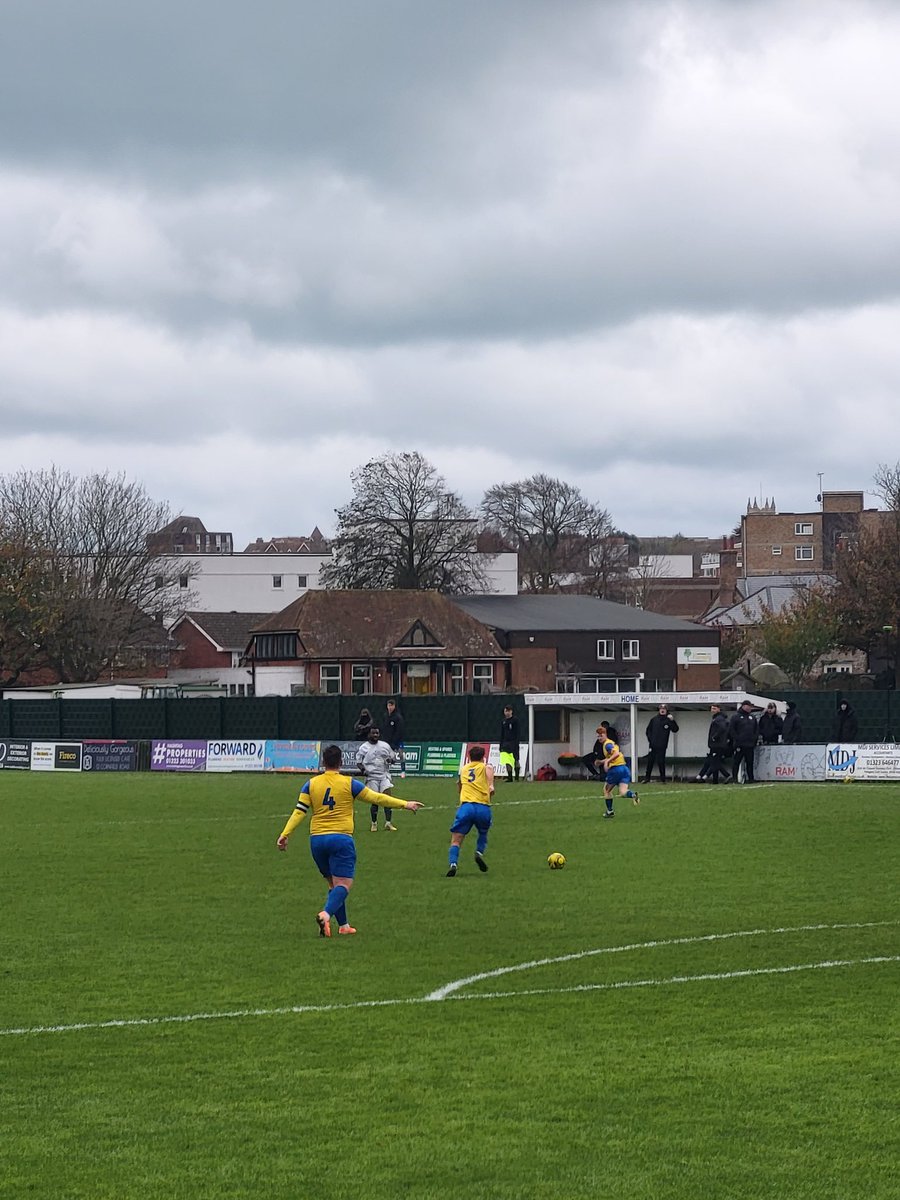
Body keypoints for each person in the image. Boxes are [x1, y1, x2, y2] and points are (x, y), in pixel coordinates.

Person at [276, 743, 422, 937]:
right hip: (340, 839)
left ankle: (343, 926)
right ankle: (326, 915)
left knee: (333, 885)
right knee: (343, 884)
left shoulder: (310, 784)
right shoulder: (348, 783)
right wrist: (405, 804)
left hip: (317, 840)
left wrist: (285, 833)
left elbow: (299, 811)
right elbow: (377, 798)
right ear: (341, 762)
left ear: (322, 762)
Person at [447, 744, 494, 876]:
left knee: (456, 839)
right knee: (483, 833)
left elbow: (459, 786)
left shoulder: (464, 769)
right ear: (483, 757)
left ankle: (453, 864)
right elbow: (489, 771)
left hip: (466, 807)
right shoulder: (485, 767)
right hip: (483, 807)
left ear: (469, 757)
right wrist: (490, 786)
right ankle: (479, 852)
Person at [356, 726, 398, 832]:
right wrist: (363, 771)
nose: (375, 735)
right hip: (371, 777)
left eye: (377, 733)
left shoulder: (385, 745)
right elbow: (358, 762)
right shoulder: (364, 747)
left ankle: (388, 823)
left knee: (388, 798)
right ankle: (374, 824)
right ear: (369, 734)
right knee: (375, 800)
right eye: (373, 733)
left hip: (384, 776)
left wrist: (391, 760)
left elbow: (393, 758)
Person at [599, 730, 640, 818]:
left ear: (605, 735)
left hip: (615, 770)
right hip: (624, 769)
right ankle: (633, 794)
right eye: (598, 736)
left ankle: (610, 811)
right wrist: (602, 762)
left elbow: (616, 754)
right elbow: (614, 755)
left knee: (606, 790)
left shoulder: (607, 744)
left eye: (601, 735)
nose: (599, 738)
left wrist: (607, 762)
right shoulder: (612, 743)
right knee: (623, 792)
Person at [642, 704, 679, 783]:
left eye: (664, 709)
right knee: (650, 762)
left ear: (666, 710)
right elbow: (648, 731)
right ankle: (647, 778)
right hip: (652, 745)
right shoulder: (654, 719)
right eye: (661, 709)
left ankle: (663, 779)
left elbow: (675, 729)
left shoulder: (668, 720)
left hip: (662, 746)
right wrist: (650, 740)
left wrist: (673, 721)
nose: (662, 710)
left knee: (661, 762)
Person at [696, 703, 732, 784]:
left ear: (719, 709)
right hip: (717, 744)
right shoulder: (718, 718)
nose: (713, 710)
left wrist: (714, 737)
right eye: (712, 709)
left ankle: (725, 775)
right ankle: (714, 780)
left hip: (717, 744)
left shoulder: (719, 718)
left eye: (714, 708)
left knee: (715, 762)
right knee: (714, 761)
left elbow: (722, 728)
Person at [729, 699, 759, 783]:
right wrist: (737, 739)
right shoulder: (736, 717)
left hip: (749, 745)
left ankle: (751, 779)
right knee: (736, 762)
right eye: (748, 706)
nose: (750, 708)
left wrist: (754, 740)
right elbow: (731, 730)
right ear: (744, 706)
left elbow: (756, 730)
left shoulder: (752, 717)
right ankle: (734, 778)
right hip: (739, 745)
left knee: (750, 762)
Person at [384, 698, 406, 777]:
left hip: (398, 740)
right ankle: (386, 770)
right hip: (388, 740)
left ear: (394, 706)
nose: (390, 707)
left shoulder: (398, 717)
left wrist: (395, 740)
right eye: (388, 705)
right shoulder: (386, 716)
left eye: (391, 706)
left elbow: (400, 730)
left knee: (401, 755)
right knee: (387, 755)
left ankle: (403, 771)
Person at [499, 704, 521, 780]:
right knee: (507, 760)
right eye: (505, 711)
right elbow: (502, 733)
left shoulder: (515, 720)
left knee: (515, 759)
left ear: (511, 711)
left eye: (508, 711)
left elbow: (518, 732)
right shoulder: (503, 721)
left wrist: (516, 742)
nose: (507, 713)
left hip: (514, 742)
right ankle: (510, 777)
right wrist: (501, 744)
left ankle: (517, 776)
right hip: (505, 743)